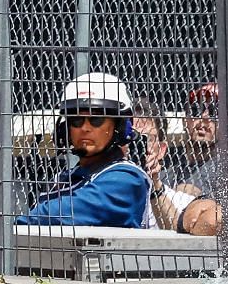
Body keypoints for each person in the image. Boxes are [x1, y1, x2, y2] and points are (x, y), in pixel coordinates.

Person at [18, 73, 150, 229]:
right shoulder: (65, 178)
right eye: (76, 120)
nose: (85, 128)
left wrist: (14, 225)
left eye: (96, 120)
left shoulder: (127, 178)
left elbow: (64, 213)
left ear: (119, 126)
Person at [136, 97, 215, 235]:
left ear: (161, 150)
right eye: (131, 137)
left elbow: (180, 233)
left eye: (145, 139)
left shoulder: (179, 200)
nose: (204, 118)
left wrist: (155, 186)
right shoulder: (94, 182)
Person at [171, 82, 220, 198]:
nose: (204, 117)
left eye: (213, 112)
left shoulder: (227, 168)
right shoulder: (170, 170)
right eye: (196, 110)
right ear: (184, 120)